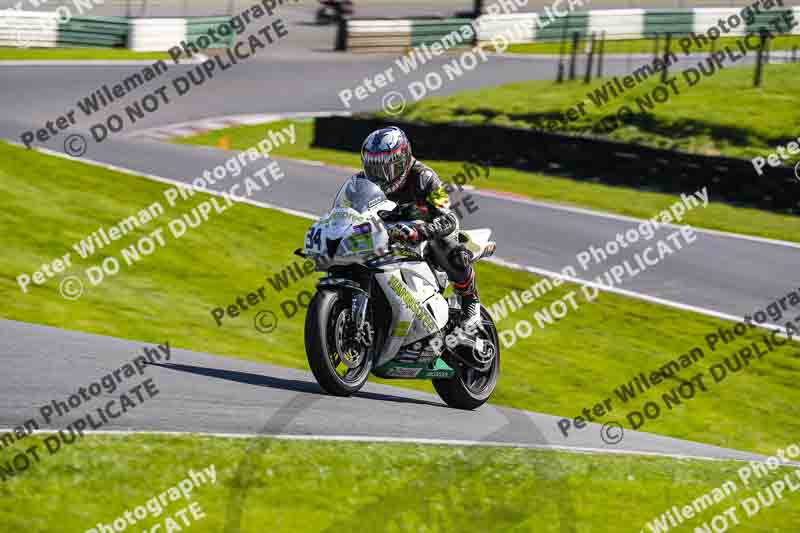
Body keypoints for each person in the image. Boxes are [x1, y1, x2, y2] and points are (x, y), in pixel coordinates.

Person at [356, 126, 481, 331]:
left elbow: (447, 218)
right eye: (374, 168)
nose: (380, 176)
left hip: (425, 233)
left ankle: (471, 304)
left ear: (403, 159)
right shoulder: (362, 182)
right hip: (385, 234)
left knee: (447, 244)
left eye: (387, 168)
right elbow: (350, 208)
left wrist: (420, 232)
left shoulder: (425, 178)